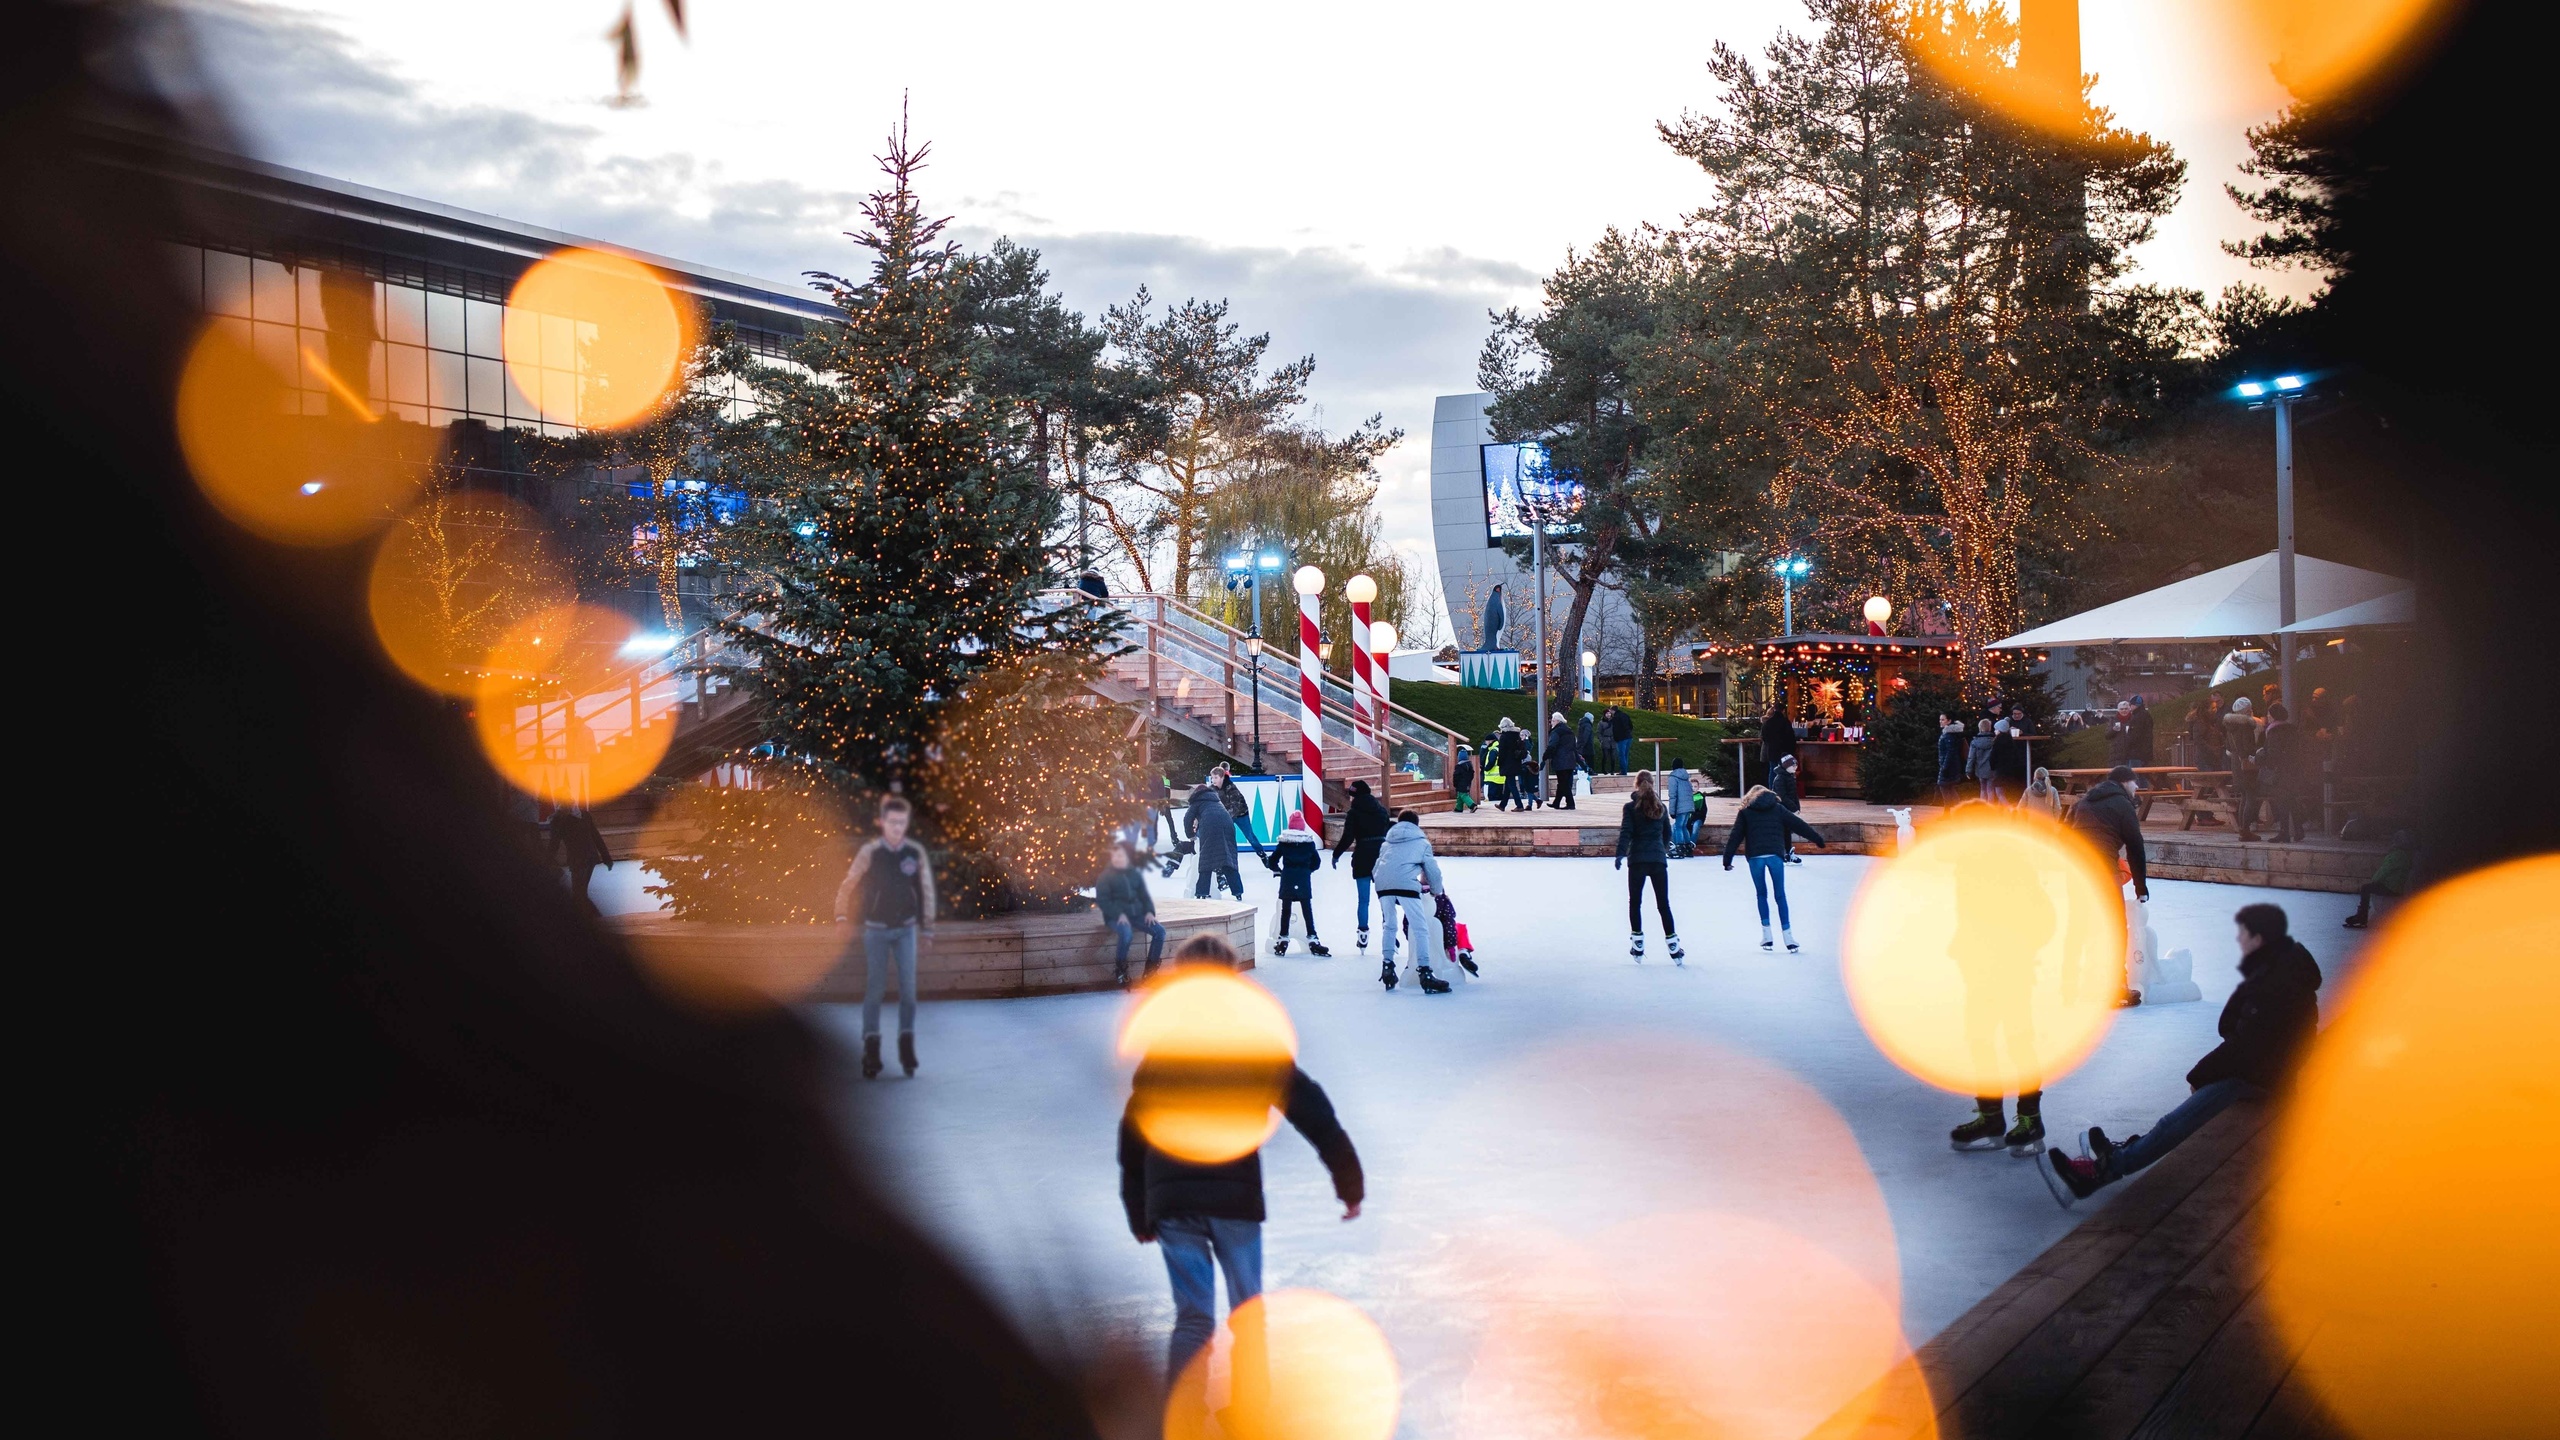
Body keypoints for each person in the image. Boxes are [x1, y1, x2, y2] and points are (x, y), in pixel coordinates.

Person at [1118, 944, 1365, 1386]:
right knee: (1248, 1313)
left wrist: (1139, 1208)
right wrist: (1348, 1179)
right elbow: (1313, 1111)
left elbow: (1133, 1135)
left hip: (1172, 1199)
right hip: (1233, 1197)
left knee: (1193, 1319)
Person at [2049, 904, 2322, 1200]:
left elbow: (2245, 1046)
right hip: (2263, 1073)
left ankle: (2107, 1169)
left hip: (2267, 1082)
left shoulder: (2280, 990)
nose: (2241, 943)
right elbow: (2229, 1026)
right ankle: (2125, 1150)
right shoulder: (2275, 977)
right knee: (2186, 1111)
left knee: (2176, 1121)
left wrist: (2201, 1074)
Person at [833, 795, 937, 1080]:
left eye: (902, 823)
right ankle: (871, 1048)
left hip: (905, 929)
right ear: (882, 823)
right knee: (875, 987)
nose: (897, 828)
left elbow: (926, 891)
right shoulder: (871, 853)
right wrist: (841, 916)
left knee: (908, 988)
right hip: (876, 930)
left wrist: (926, 929)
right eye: (892, 823)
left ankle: (906, 1045)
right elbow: (848, 884)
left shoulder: (914, 854)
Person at [2068, 764, 2151, 1007]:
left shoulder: (2083, 802)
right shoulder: (2122, 804)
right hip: (2101, 871)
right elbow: (2136, 847)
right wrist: (2141, 887)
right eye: (2135, 782)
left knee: (2078, 927)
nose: (2137, 788)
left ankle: (2069, 984)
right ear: (2125, 782)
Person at [1722, 784, 1827, 952]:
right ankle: (1788, 937)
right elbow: (1798, 824)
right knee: (1780, 895)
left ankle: (1767, 936)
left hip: (1756, 857)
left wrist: (1727, 859)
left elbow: (1736, 835)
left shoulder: (1745, 812)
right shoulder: (1777, 808)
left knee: (1761, 894)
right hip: (1775, 856)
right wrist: (1818, 839)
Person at [1374, 809, 1456, 992]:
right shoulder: (1421, 842)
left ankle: (1387, 967)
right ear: (1416, 824)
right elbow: (1432, 871)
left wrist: (1384, 885)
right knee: (1420, 928)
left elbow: (1377, 866)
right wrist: (1436, 891)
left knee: (1389, 925)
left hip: (1382, 884)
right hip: (1406, 884)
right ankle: (1425, 972)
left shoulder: (1388, 842)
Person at [1615, 772, 1683, 962]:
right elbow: (1667, 833)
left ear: (1636, 784)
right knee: (1663, 904)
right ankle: (1673, 945)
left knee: (1635, 902)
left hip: (1637, 860)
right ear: (1652, 784)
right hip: (1658, 862)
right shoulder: (1660, 807)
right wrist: (1660, 848)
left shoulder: (1630, 808)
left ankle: (1637, 943)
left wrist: (1620, 853)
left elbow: (1626, 832)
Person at [1329, 778, 1393, 952]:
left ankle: (1363, 934)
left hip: (1363, 855)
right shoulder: (1381, 811)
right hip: (1381, 856)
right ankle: (1390, 932)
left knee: (1363, 900)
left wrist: (1336, 854)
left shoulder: (1354, 813)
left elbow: (1348, 837)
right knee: (1384, 898)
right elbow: (1389, 832)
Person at [1096, 841, 1165, 985]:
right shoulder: (1105, 876)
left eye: (1120, 855)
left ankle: (1150, 972)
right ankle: (1121, 970)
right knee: (1126, 934)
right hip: (1116, 917)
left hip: (1137, 915)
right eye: (1114, 856)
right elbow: (1103, 900)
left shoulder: (1134, 874)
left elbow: (1144, 896)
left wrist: (1149, 912)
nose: (1117, 859)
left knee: (1160, 932)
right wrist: (1118, 914)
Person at [1269, 813, 1330, 956]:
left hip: (1288, 878)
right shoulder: (1309, 843)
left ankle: (1283, 938)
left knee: (1286, 910)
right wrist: (1308, 871)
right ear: (1302, 827)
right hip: (1303, 879)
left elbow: (1272, 860)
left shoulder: (1284, 843)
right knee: (1307, 910)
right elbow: (1317, 862)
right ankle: (1312, 937)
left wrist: (1279, 871)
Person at [1186, 774, 1246, 901]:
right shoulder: (1216, 800)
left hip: (1210, 826)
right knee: (1227, 858)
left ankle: (1202, 892)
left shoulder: (1197, 801)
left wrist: (1190, 835)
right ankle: (1238, 891)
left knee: (1206, 859)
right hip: (1228, 825)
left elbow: (1187, 819)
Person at [2344, 829, 2418, 928]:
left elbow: (2384, 871)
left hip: (2391, 887)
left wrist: (2374, 880)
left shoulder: (2395, 855)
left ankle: (2362, 916)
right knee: (2370, 887)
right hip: (2399, 887)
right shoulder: (2407, 856)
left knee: (2365, 888)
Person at [2259, 702, 2309, 843]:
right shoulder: (2292, 730)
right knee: (2292, 800)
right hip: (2293, 770)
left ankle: (2284, 832)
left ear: (2274, 716)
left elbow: (2273, 755)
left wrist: (2262, 758)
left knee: (2282, 802)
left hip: (2279, 772)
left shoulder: (2274, 732)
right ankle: (2299, 829)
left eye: (2269, 714)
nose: (2267, 716)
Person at [551, 804, 614, 913]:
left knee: (578, 894)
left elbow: (554, 843)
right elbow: (596, 836)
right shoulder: (583, 815)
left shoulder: (559, 819)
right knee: (581, 894)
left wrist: (546, 860)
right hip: (589, 857)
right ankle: (595, 919)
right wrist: (606, 857)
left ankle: (593, 920)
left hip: (579, 859)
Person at [2223, 696, 2266, 839]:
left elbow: (2229, 748)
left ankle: (2243, 829)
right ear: (2246, 711)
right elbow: (2248, 747)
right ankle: (2246, 828)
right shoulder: (2246, 726)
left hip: (2236, 764)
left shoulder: (2230, 727)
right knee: (2251, 796)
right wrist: (2257, 752)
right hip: (2247, 764)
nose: (2251, 712)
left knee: (2243, 797)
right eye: (2250, 709)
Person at [1214, 764, 1271, 865]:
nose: (1213, 780)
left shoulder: (1231, 788)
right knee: (1223, 837)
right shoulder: (1213, 788)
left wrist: (1224, 817)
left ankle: (1262, 854)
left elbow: (1235, 806)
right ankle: (1225, 861)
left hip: (1241, 813)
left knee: (1250, 836)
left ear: (1222, 777)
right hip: (1227, 814)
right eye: (1212, 778)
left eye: (1215, 778)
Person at [1770, 753, 1808, 863]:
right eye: (1793, 766)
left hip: (1788, 809)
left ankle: (1787, 852)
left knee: (1787, 831)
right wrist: (1793, 808)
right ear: (1786, 766)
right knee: (1783, 831)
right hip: (1782, 809)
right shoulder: (1780, 779)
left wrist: (1797, 807)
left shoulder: (1790, 777)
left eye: (1796, 765)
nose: (1795, 768)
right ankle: (1784, 853)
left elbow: (1793, 795)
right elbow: (1782, 796)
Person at [1758, 697, 1798, 787]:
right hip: (1784, 750)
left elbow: (1764, 737)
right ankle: (1782, 789)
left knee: (1773, 769)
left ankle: (1772, 789)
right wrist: (1792, 749)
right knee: (1785, 771)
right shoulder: (1785, 722)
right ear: (1783, 710)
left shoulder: (1768, 723)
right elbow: (1791, 737)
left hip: (1772, 750)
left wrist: (1769, 745)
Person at [1544, 711, 1580, 810]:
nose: (1551, 722)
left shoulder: (1556, 732)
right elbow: (1574, 747)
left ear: (1557, 721)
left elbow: (1552, 745)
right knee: (1563, 782)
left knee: (1564, 783)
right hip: (1570, 760)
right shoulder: (1570, 731)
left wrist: (1545, 756)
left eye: (1552, 720)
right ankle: (1556, 802)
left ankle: (1570, 803)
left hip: (1561, 760)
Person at [1988, 718, 2028, 807]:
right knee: (2002, 791)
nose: (1994, 731)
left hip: (1999, 770)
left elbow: (1993, 756)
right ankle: (2000, 812)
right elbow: (2016, 756)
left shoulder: (1997, 741)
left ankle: (2010, 810)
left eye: (1996, 729)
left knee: (1999, 792)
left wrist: (1992, 766)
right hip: (2009, 770)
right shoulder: (2010, 741)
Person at [1497, 720, 1532, 812]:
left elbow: (1502, 752)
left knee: (1511, 785)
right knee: (1509, 784)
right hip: (1516, 762)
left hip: (1507, 763)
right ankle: (1503, 805)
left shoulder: (1504, 737)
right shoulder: (1516, 735)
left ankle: (1519, 805)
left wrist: (1499, 763)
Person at [1666, 761, 1698, 853]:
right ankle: (1687, 846)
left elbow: (1673, 795)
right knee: (1683, 826)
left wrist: (1672, 811)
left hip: (1680, 807)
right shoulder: (1686, 777)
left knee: (1678, 826)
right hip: (1688, 806)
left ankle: (1679, 847)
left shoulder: (1673, 778)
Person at [1936, 714, 1967, 799]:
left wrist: (1945, 767)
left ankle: (1950, 809)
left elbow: (1950, 752)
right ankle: (1954, 809)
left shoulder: (1949, 735)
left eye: (1943, 720)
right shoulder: (1949, 734)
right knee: (1949, 787)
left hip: (1948, 766)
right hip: (1950, 764)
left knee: (1944, 786)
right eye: (1940, 719)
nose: (1940, 721)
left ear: (1949, 721)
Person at [1968, 717, 1997, 801]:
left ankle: (1983, 808)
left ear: (1980, 728)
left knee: (1983, 789)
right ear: (1990, 728)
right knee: (1990, 790)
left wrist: (1968, 770)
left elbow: (1971, 757)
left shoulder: (1974, 742)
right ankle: (1990, 809)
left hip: (1980, 769)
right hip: (1991, 769)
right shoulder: (1994, 741)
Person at [2127, 694, 2156, 767]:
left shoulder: (2138, 717)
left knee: (2134, 775)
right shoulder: (2146, 715)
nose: (2130, 707)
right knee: (2142, 775)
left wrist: (2128, 742)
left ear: (2135, 705)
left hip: (2137, 752)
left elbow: (2135, 735)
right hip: (2144, 752)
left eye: (2131, 704)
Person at [1452, 743, 1479, 813]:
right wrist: (1469, 780)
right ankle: (1458, 808)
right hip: (1467, 782)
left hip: (1460, 783)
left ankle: (1472, 805)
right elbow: (1472, 774)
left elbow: (1456, 776)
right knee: (1460, 795)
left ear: (1459, 757)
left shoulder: (1459, 766)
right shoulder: (1470, 765)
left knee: (1463, 795)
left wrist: (1455, 783)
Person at [1610, 705, 1636, 776]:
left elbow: (1615, 730)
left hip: (1621, 738)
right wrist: (1628, 732)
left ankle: (1623, 771)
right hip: (1628, 737)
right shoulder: (1625, 715)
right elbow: (1631, 725)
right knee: (1625, 755)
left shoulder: (1615, 718)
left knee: (1622, 755)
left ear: (1613, 710)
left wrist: (1616, 738)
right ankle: (1625, 770)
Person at [1578, 709, 1601, 776]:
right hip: (1587, 746)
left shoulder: (1581, 724)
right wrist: (1583, 744)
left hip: (1582, 746)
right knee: (1590, 760)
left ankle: (1584, 771)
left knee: (1583, 760)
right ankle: (1590, 771)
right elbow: (1586, 736)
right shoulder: (1588, 725)